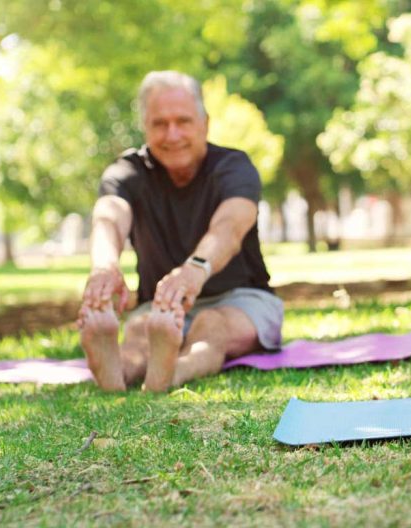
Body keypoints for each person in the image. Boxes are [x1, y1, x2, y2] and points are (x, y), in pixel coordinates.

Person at [77, 71, 283, 392]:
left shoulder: (233, 166)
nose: (172, 134)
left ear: (205, 123)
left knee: (211, 326)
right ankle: (117, 372)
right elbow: (110, 218)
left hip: (239, 298)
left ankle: (171, 373)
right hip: (160, 308)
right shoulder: (127, 172)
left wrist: (194, 270)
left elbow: (229, 227)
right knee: (141, 334)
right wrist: (105, 266)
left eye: (183, 121)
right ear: (145, 127)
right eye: (159, 124)